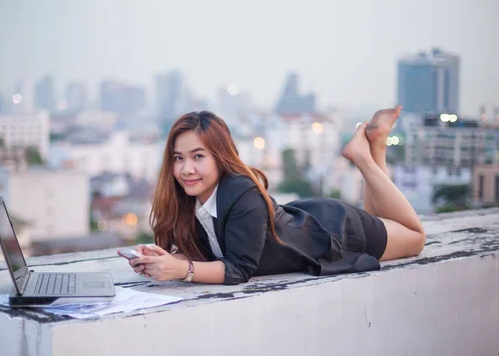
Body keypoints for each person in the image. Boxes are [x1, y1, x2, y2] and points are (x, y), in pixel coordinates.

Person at [119, 108, 426, 285]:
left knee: (415, 237)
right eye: (178, 158)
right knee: (383, 220)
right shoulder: (192, 199)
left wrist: (181, 271)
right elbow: (212, 253)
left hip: (335, 234)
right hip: (311, 222)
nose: (186, 169)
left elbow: (239, 269)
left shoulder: (241, 191)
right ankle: (377, 143)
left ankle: (363, 156)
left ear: (219, 156)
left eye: (198, 156)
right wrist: (165, 259)